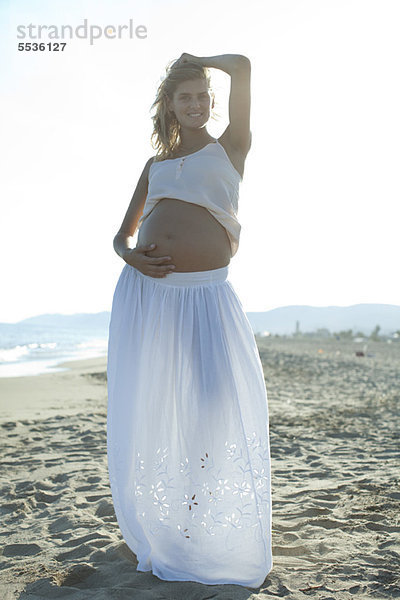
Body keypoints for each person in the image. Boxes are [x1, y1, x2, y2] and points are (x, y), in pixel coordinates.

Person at [107, 52, 273, 589]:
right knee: (155, 405)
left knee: (210, 402)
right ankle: (168, 517)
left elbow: (244, 66)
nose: (197, 103)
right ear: (170, 107)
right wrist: (129, 255)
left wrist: (200, 61)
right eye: (186, 97)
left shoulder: (232, 148)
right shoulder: (153, 166)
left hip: (203, 298)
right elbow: (120, 236)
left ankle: (204, 511)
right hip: (149, 297)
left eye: (203, 96)